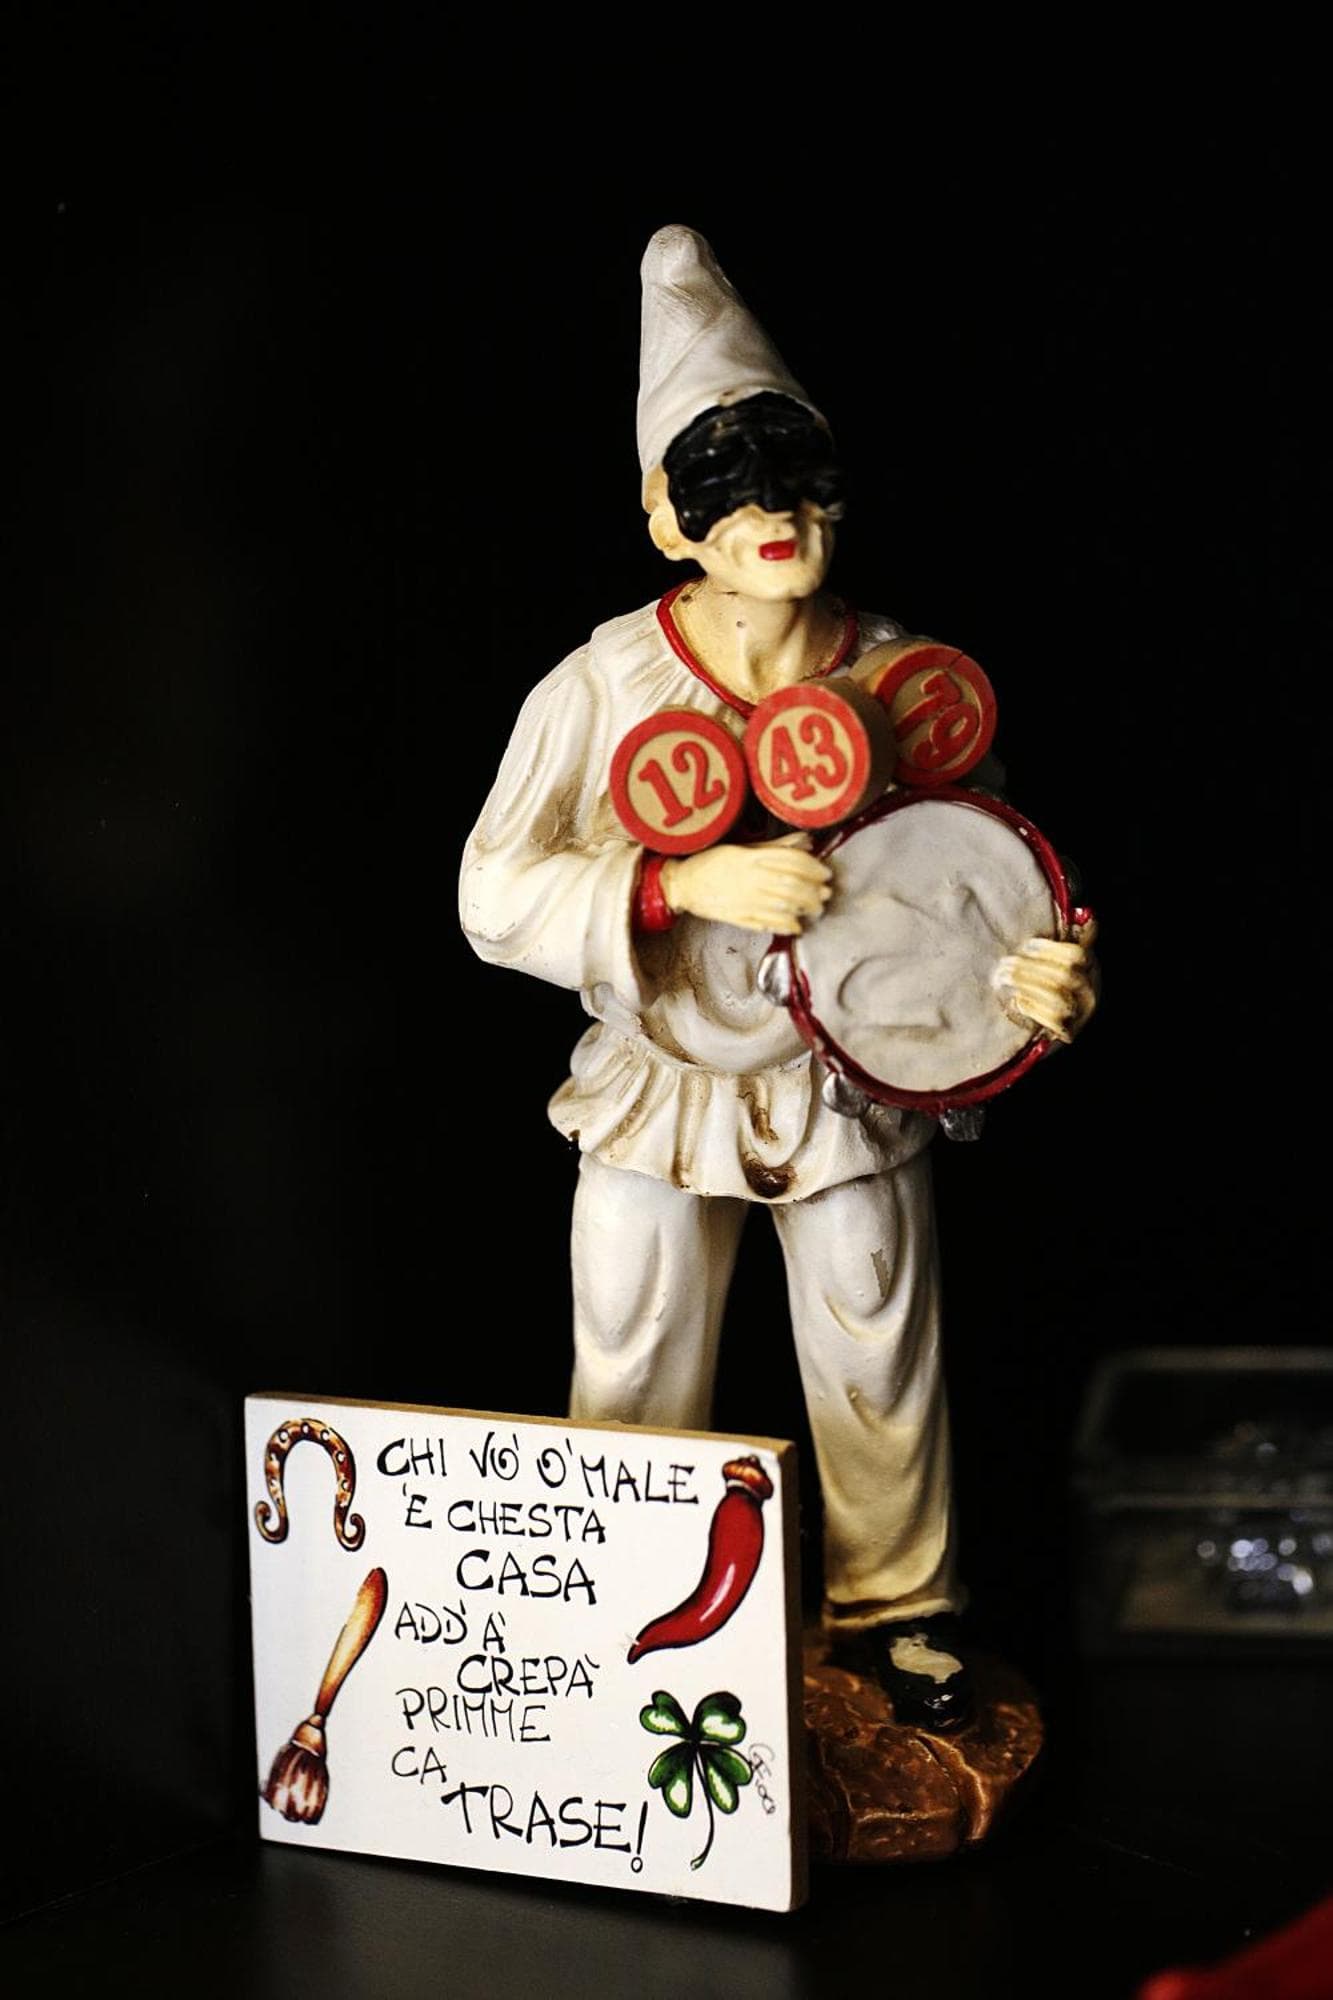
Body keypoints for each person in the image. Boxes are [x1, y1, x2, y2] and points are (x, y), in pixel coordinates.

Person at [460, 227, 1096, 1729]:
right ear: (666, 517)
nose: (773, 516)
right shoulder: (608, 682)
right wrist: (673, 884)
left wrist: (1033, 987)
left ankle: (897, 1614)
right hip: (665, 1077)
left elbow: (977, 882)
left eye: (798, 479)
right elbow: (491, 893)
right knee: (634, 1338)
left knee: (876, 1337)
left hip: (841, 1083)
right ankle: (617, 1610)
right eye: (730, 486)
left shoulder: (903, 680)